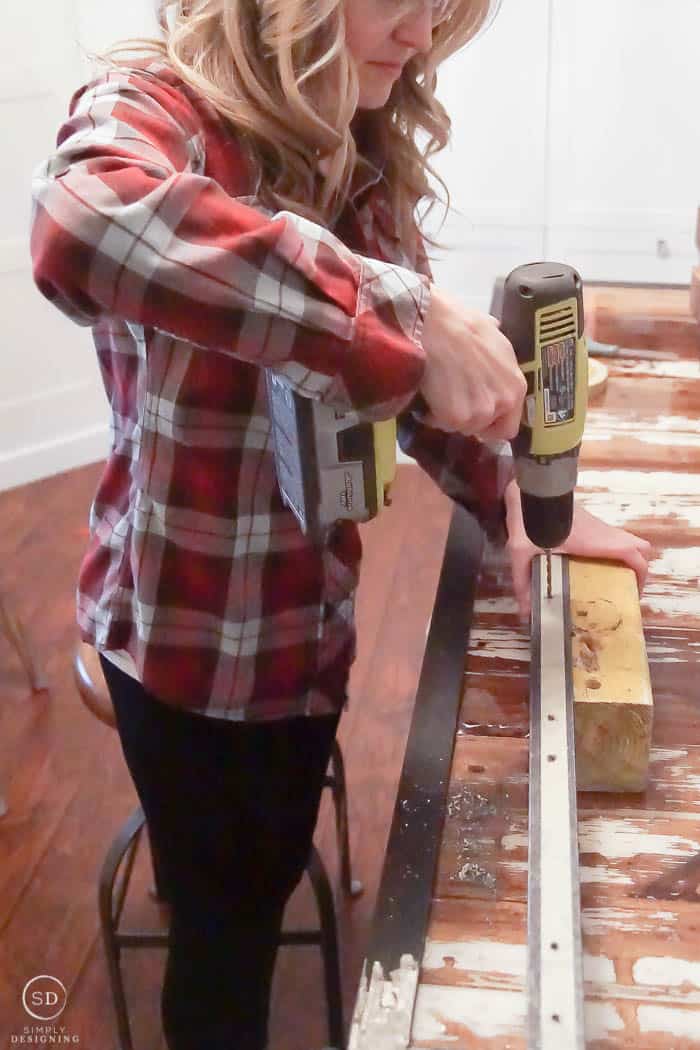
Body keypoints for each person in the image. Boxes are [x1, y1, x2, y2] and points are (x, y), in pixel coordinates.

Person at [29, 0, 653, 1046]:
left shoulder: (343, 136)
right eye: (398, 0)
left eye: (442, 12)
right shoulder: (161, 112)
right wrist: (392, 312)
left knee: (256, 869)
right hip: (193, 659)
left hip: (303, 631)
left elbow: (398, 383)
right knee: (225, 941)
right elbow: (80, 220)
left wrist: (508, 487)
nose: (418, 34)